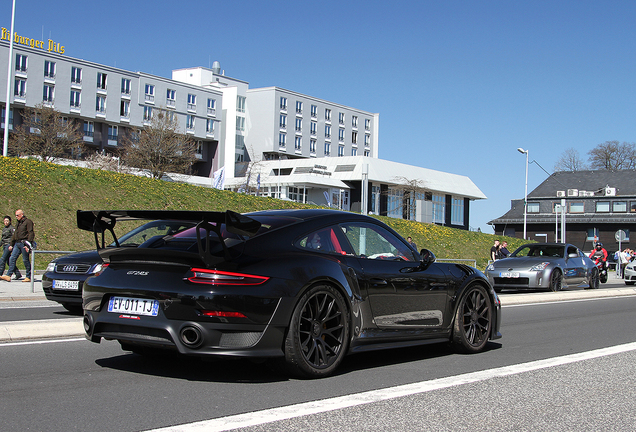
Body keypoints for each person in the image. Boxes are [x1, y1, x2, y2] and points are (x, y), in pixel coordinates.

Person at [1, 209, 35, 283]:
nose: (16, 217)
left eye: (17, 215)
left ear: (21, 215)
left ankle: (28, 276)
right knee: (12, 258)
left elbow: (31, 233)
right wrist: (11, 244)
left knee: (25, 260)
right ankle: (8, 275)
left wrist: (28, 245)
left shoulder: (28, 222)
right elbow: (15, 234)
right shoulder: (18, 223)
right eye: (15, 215)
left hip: (24, 243)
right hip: (17, 243)